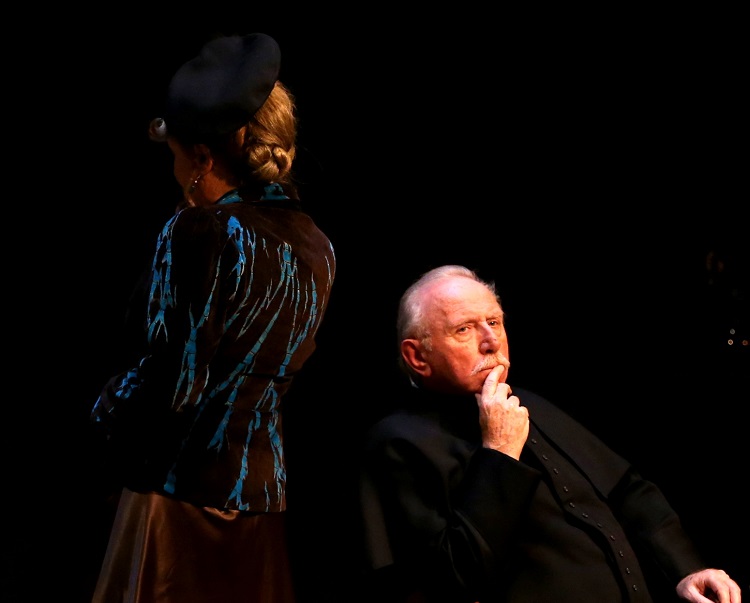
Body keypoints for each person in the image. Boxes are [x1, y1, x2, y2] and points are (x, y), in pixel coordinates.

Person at [89, 32, 336, 603]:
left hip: (179, 499)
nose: (174, 170)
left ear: (202, 158)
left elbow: (174, 384)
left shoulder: (200, 231)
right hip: (260, 504)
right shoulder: (317, 244)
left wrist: (103, 413)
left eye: (176, 155)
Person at [355, 265, 742, 602]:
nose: (491, 341)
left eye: (494, 322)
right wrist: (499, 454)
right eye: (464, 329)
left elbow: (628, 492)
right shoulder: (397, 443)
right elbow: (452, 578)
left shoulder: (532, 404)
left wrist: (686, 570)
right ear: (417, 356)